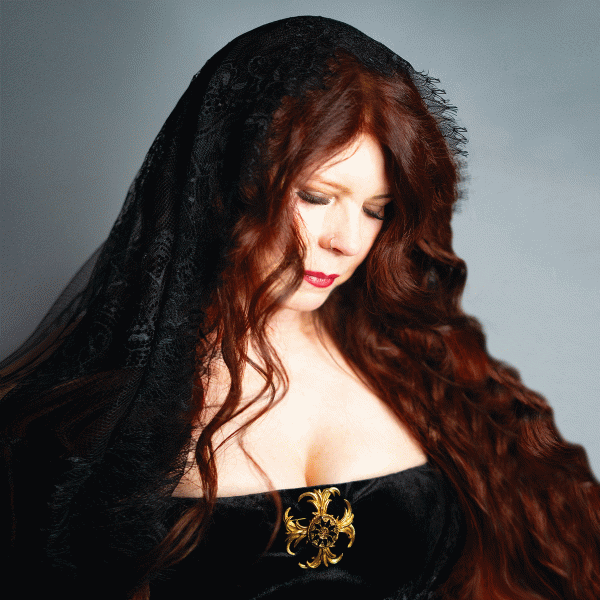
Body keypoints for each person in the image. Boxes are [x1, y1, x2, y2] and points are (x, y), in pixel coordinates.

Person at [1, 15, 598, 600]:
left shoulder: (420, 367)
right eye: (316, 196)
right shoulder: (96, 412)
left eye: (376, 209)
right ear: (233, 180)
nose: (347, 240)